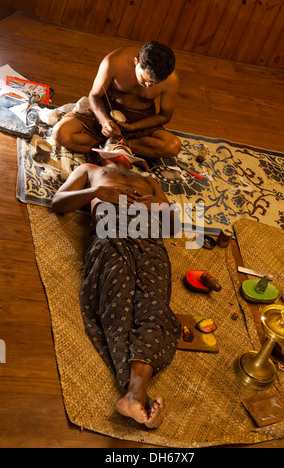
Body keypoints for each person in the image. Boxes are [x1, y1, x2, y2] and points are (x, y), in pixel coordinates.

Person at [51, 140, 181, 428]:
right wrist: (96, 191)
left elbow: (174, 228)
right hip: (112, 237)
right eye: (114, 140)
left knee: (154, 310)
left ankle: (133, 396)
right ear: (101, 151)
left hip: (151, 244)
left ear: (134, 158)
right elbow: (58, 204)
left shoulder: (149, 181)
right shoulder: (90, 170)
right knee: (117, 305)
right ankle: (136, 393)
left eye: (126, 142)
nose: (121, 141)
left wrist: (161, 207)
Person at [53, 41, 182, 160]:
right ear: (136, 61)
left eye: (154, 83)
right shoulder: (114, 61)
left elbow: (164, 116)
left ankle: (118, 146)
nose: (148, 86)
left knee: (172, 146)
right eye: (145, 79)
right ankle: (115, 148)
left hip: (140, 122)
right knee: (61, 133)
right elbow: (94, 95)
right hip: (106, 113)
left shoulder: (171, 80)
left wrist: (134, 127)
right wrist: (104, 121)